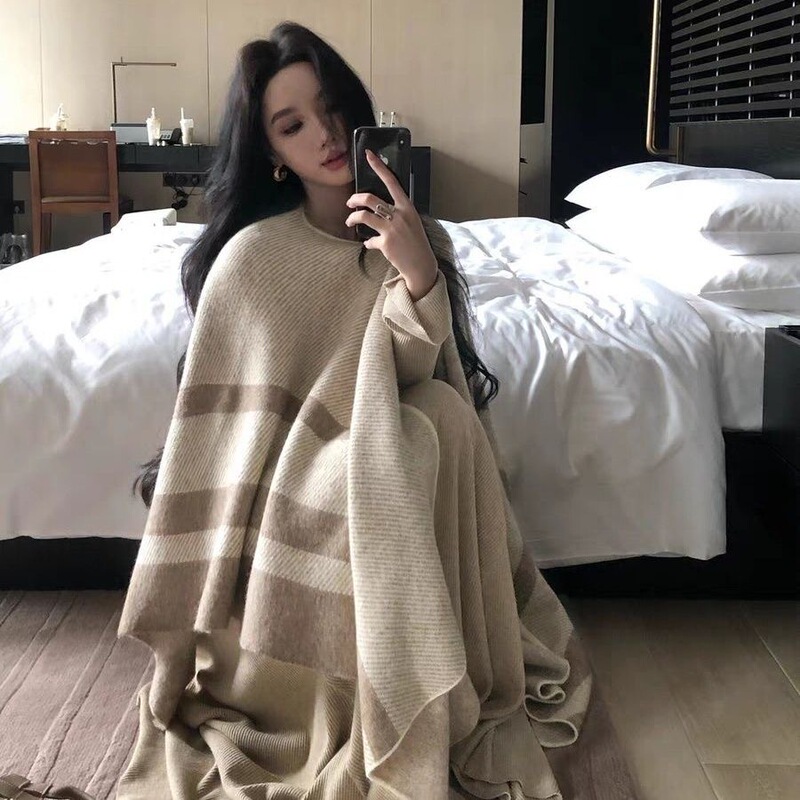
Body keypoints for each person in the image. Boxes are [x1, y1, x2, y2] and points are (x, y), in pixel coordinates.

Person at [116, 21, 591, 800]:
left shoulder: (418, 238)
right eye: (292, 124)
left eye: (332, 108)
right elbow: (230, 432)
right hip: (285, 473)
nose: (325, 134)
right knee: (412, 441)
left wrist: (417, 274)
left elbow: (421, 377)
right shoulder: (254, 258)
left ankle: (423, 684)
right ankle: (379, 699)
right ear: (273, 153)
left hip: (379, 435)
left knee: (436, 421)